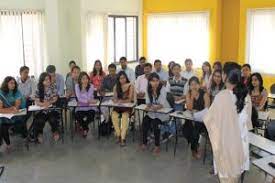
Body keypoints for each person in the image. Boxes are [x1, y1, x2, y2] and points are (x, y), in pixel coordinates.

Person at [204, 62, 252, 183]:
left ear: (225, 76)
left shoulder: (222, 96)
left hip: (227, 145)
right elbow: (248, 123)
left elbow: (210, 121)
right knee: (235, 177)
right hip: (241, 144)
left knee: (226, 178)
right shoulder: (246, 96)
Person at [140, 73, 171, 155]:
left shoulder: (162, 89)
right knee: (145, 120)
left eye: (157, 80)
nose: (155, 82)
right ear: (149, 82)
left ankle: (157, 145)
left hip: (163, 113)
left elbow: (162, 104)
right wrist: (148, 106)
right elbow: (148, 102)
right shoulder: (148, 90)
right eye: (153, 81)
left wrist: (153, 108)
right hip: (153, 112)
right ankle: (144, 142)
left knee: (155, 123)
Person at [184, 76, 210, 159]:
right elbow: (189, 108)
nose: (194, 86)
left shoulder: (205, 94)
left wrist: (198, 112)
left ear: (199, 85)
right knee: (185, 129)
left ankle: (194, 149)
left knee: (195, 130)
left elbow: (207, 110)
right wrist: (192, 97)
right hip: (191, 117)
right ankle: (195, 144)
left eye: (196, 84)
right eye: (192, 85)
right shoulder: (188, 93)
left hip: (202, 119)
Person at [0, 76, 27, 152]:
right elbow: (0, 109)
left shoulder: (16, 91)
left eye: (14, 83)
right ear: (6, 84)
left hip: (16, 114)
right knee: (2, 126)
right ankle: (8, 144)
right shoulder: (1, 93)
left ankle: (25, 137)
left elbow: (17, 106)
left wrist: (13, 109)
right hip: (5, 116)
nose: (13, 85)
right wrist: (10, 110)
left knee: (21, 122)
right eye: (11, 83)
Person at [33, 72, 61, 143]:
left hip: (52, 108)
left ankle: (55, 131)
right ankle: (40, 133)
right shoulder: (38, 88)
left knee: (53, 119)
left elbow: (55, 98)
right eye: (45, 79)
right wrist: (42, 104)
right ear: (42, 81)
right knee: (40, 120)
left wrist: (48, 103)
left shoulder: (53, 86)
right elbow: (36, 100)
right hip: (42, 110)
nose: (48, 81)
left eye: (49, 79)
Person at [111, 71, 134, 147]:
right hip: (118, 106)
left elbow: (130, 99)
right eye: (120, 78)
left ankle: (123, 138)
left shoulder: (130, 85)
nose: (122, 80)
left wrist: (121, 101)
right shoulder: (116, 86)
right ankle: (118, 135)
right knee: (114, 116)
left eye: (124, 77)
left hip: (127, 107)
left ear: (126, 78)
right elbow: (115, 98)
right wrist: (114, 99)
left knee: (124, 118)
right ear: (118, 79)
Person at [75, 72, 97, 138]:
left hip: (90, 107)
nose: (85, 80)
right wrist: (88, 101)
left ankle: (84, 127)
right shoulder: (77, 86)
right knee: (77, 115)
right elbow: (79, 98)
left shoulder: (91, 86)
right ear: (80, 80)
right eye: (83, 79)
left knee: (91, 116)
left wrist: (85, 100)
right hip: (81, 107)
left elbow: (88, 97)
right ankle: (85, 128)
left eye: (86, 78)